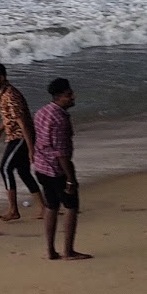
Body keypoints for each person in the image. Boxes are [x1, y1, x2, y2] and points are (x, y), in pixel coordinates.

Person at [33, 78, 91, 261]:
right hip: (57, 169)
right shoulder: (60, 119)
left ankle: (51, 250)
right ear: (58, 97)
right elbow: (61, 154)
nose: (72, 97)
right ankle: (68, 251)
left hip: (41, 166)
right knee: (71, 207)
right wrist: (70, 179)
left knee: (51, 206)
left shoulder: (42, 112)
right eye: (68, 95)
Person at [0, 63, 41, 222]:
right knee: (23, 171)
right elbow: (7, 116)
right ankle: (43, 207)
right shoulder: (1, 93)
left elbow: (22, 122)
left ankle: (13, 209)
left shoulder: (11, 95)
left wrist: (31, 149)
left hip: (20, 137)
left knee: (5, 168)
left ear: (3, 77)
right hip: (13, 136)